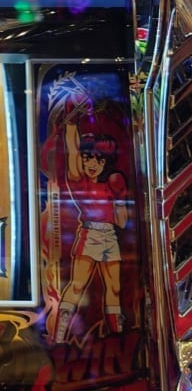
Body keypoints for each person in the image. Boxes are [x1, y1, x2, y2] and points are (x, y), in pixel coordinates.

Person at [53, 116, 129, 342]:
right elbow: (72, 151)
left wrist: (120, 199)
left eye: (99, 160)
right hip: (90, 234)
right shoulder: (79, 181)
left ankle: (118, 336)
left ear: (106, 163)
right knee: (77, 286)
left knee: (114, 288)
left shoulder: (111, 183)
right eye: (88, 159)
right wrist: (71, 125)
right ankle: (59, 336)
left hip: (109, 235)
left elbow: (123, 222)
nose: (92, 164)